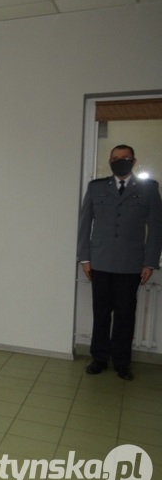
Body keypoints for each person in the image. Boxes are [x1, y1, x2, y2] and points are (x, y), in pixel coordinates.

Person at [77, 144, 162, 381]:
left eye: (124, 158)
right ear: (110, 161)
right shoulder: (96, 187)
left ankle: (122, 362)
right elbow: (85, 224)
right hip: (100, 262)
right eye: (115, 158)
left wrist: (149, 262)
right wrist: (85, 258)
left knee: (125, 315)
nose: (119, 161)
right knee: (101, 313)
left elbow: (156, 229)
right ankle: (99, 358)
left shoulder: (148, 189)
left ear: (133, 161)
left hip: (130, 264)